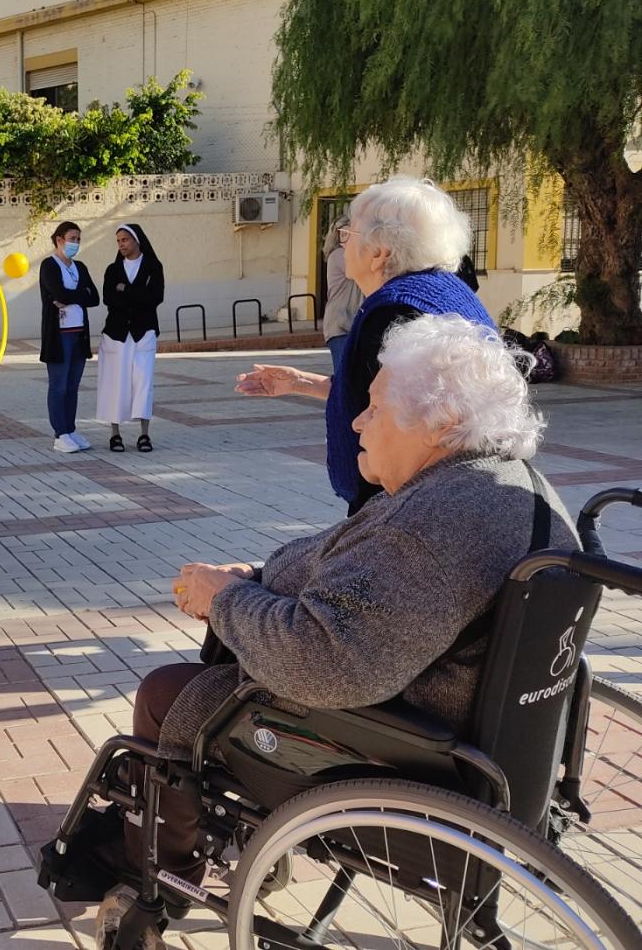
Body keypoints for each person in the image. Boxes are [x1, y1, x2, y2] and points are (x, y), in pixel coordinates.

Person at [131, 313, 577, 898]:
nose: (357, 420)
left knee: (166, 693)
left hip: (402, 755)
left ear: (439, 422)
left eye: (374, 406)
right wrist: (262, 581)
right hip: (488, 754)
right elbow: (371, 595)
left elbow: (325, 662)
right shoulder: (509, 487)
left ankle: (166, 877)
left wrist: (227, 600)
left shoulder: (437, 526)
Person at [236, 176, 493, 513]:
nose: (342, 244)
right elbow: (382, 398)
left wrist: (367, 517)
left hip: (410, 502)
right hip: (454, 489)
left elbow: (391, 428)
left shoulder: (393, 312)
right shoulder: (446, 289)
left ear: (378, 253)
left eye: (348, 235)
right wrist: (300, 382)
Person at [96, 223, 164, 452]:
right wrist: (137, 295)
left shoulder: (153, 266)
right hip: (116, 334)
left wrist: (125, 290)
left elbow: (155, 298)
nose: (121, 244)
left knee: (143, 383)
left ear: (137, 240)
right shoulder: (112, 270)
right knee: (116, 383)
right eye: (118, 241)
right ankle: (115, 434)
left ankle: (144, 435)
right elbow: (108, 299)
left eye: (125, 239)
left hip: (143, 333)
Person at [39, 221, 100, 454]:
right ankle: (60, 434)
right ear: (59, 240)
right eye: (72, 238)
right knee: (59, 386)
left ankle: (71, 429)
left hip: (78, 334)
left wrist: (71, 297)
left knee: (73, 386)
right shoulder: (49, 265)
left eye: (78, 239)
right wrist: (78, 294)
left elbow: (94, 297)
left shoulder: (80, 267)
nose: (75, 243)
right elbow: (59, 292)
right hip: (59, 335)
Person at [320, 214, 362, 374]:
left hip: (351, 322)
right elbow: (365, 268)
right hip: (340, 323)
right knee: (344, 376)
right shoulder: (338, 255)